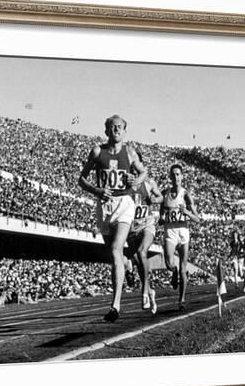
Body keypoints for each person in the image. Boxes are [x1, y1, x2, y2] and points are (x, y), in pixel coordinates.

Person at [78, 115, 147, 322]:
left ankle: (115, 304)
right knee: (113, 253)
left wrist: (135, 180)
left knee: (116, 248)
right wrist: (97, 190)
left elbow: (143, 172)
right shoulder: (98, 152)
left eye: (120, 127)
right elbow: (81, 179)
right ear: (106, 130)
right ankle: (126, 262)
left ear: (125, 131)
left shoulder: (130, 152)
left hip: (124, 204)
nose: (116, 130)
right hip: (104, 207)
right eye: (112, 127)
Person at [125, 151, 163, 314]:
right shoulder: (125, 180)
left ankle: (144, 293)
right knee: (140, 265)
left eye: (136, 162)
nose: (133, 165)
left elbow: (160, 196)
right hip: (131, 229)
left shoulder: (148, 182)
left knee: (142, 252)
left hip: (147, 225)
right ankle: (150, 291)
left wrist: (155, 199)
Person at [159, 163, 200, 310]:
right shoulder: (165, 193)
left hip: (183, 231)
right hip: (170, 231)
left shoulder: (186, 195)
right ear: (170, 177)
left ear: (182, 177)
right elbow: (161, 213)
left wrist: (187, 212)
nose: (175, 177)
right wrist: (162, 218)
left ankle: (181, 300)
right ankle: (173, 271)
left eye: (178, 174)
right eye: (173, 174)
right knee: (169, 262)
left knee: (183, 268)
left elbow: (197, 218)